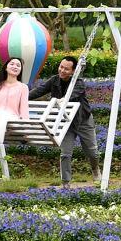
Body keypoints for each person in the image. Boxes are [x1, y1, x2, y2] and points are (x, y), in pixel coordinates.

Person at [28, 55, 101, 184]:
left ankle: (95, 169)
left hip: (83, 121)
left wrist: (61, 101)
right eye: (61, 67)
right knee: (65, 154)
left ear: (73, 71)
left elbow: (71, 95)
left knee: (92, 152)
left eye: (66, 69)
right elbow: (38, 91)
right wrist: (21, 97)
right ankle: (66, 183)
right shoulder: (54, 80)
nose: (62, 70)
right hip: (65, 122)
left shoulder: (78, 83)